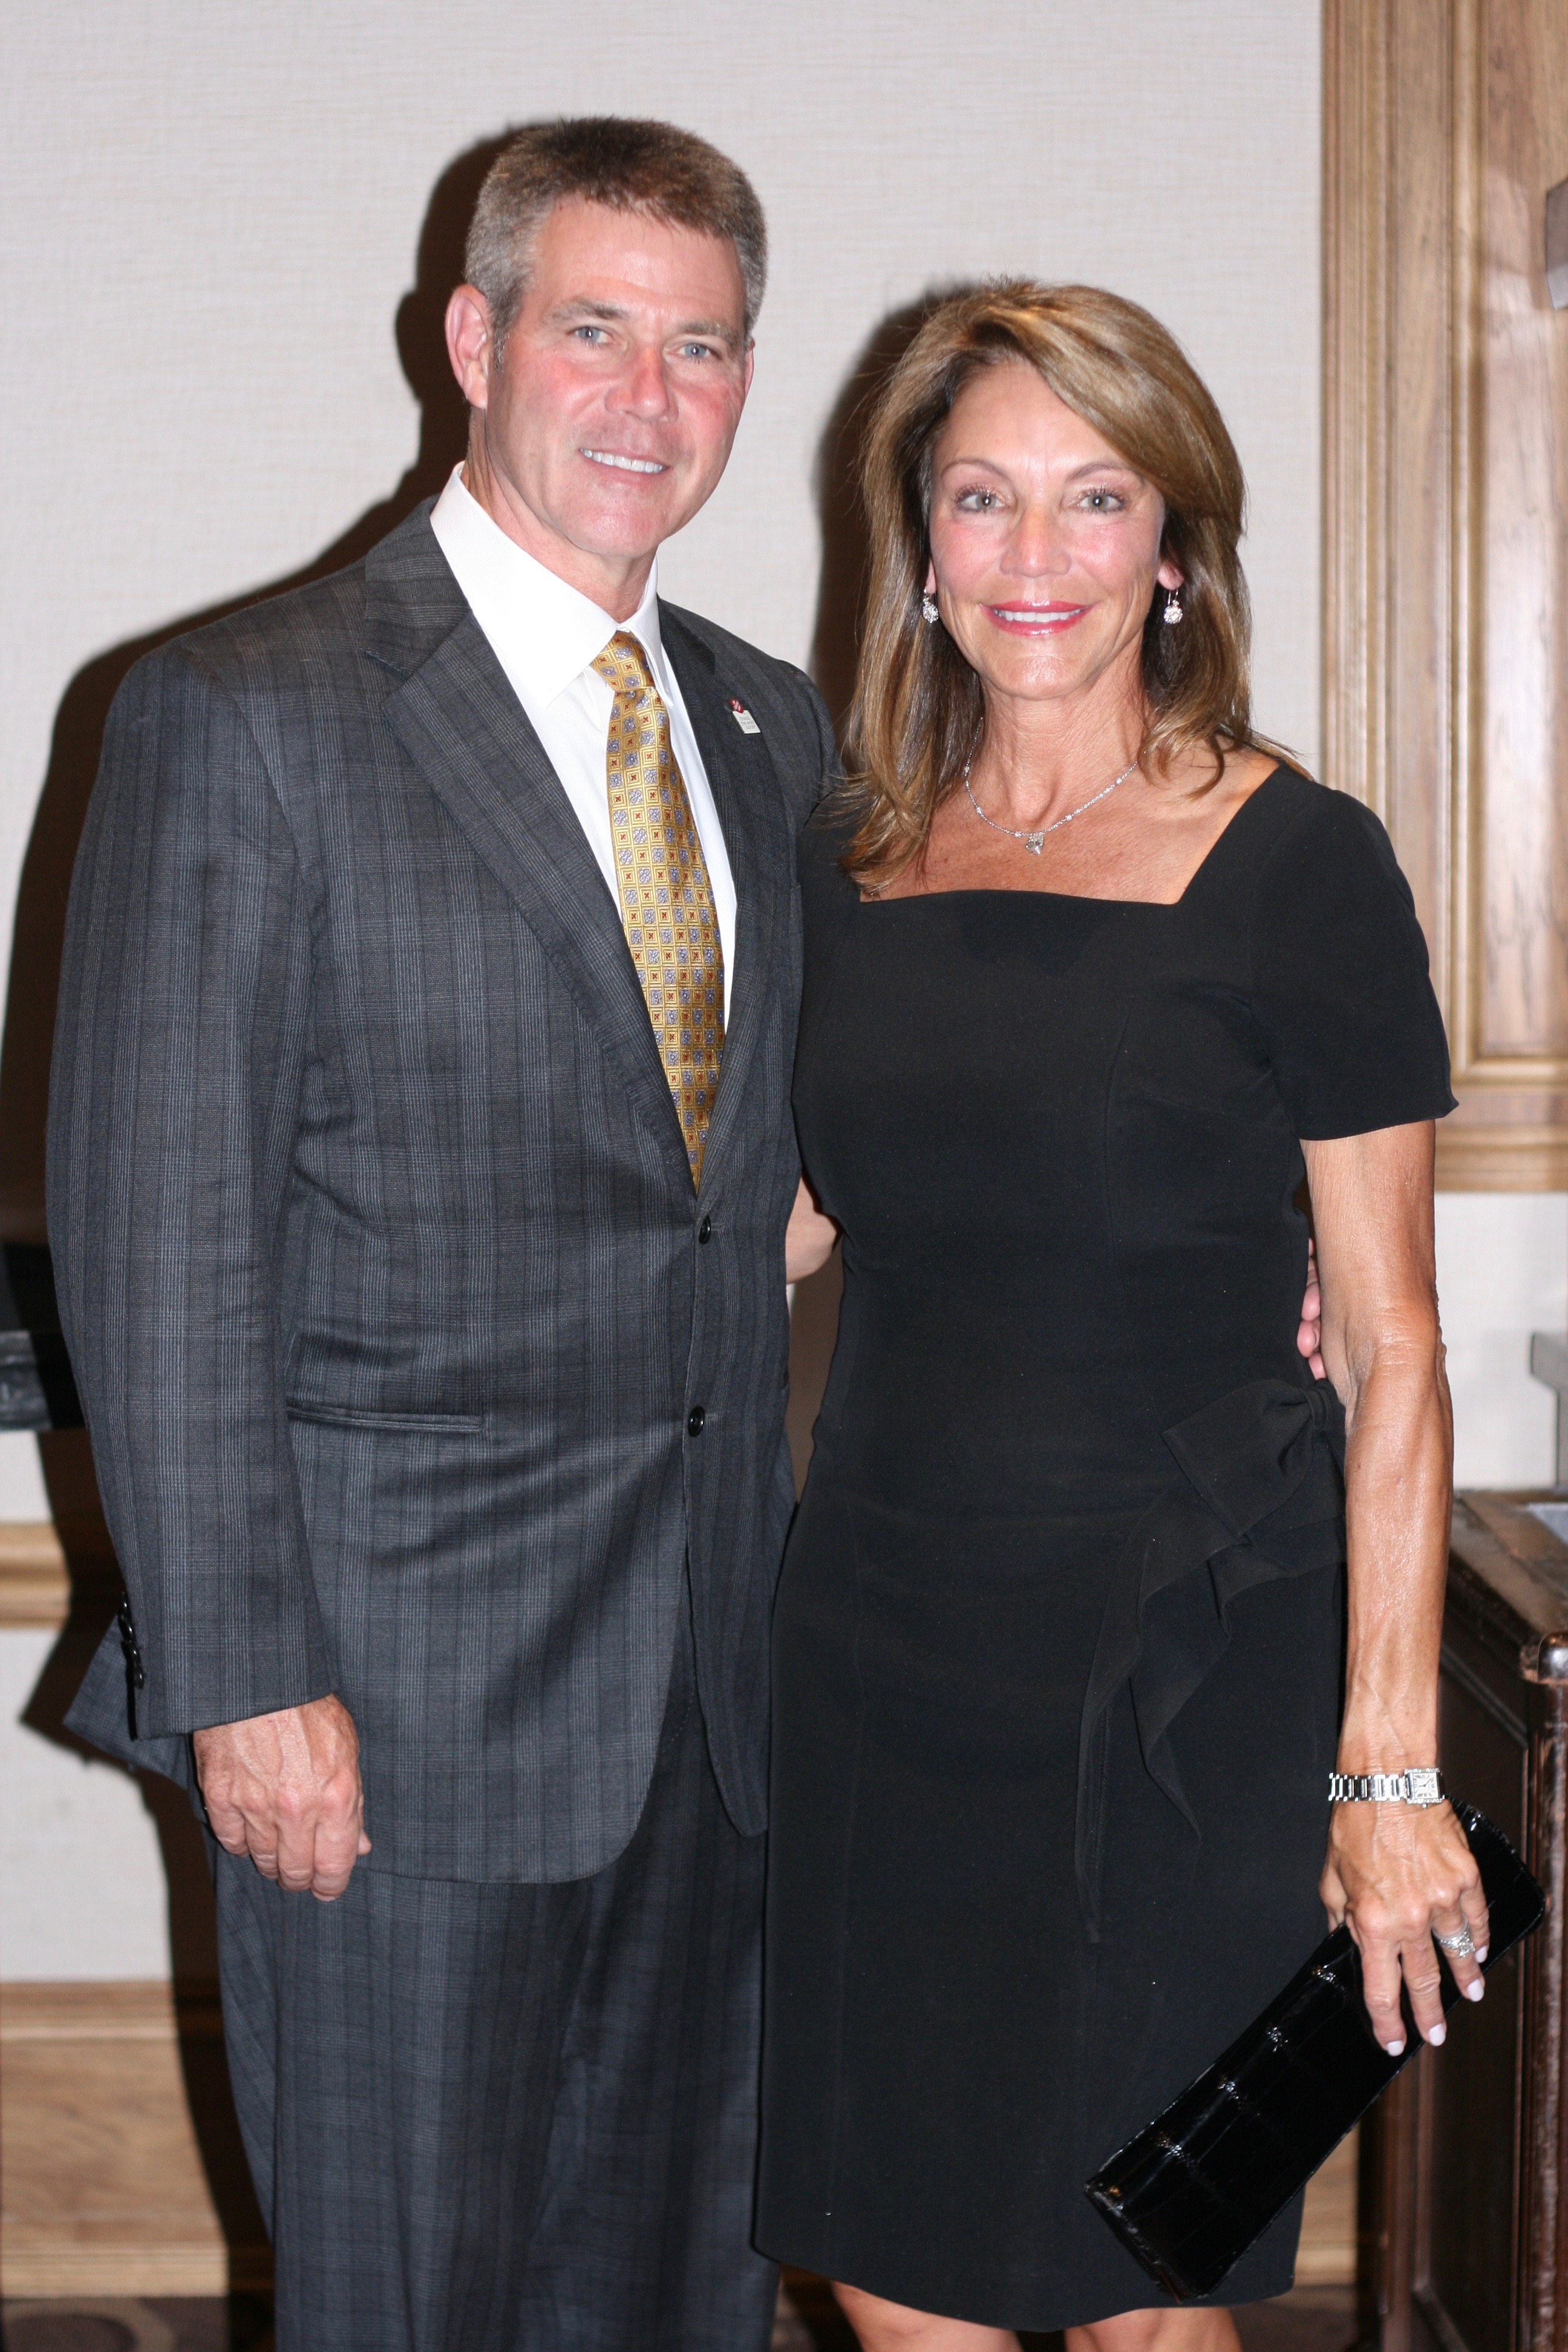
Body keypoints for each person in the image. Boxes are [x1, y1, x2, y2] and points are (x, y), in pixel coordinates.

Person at [50, 117, 839, 2352]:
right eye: (596, 331)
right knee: (412, 2311)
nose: (648, 398)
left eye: (703, 349)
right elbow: (162, 1249)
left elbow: (804, 1169)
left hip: (718, 1709)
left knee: (680, 2300)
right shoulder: (249, 714)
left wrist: (1224, 1264)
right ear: (473, 342)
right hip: (386, 1721)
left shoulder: (767, 728)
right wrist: (243, 1680)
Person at [757, 282, 1488, 2352]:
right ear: (920, 543)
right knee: (881, 2259)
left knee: (1142, 2282)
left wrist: (1387, 1768)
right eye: (982, 497)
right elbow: (794, 1225)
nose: (1037, 554)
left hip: (1188, 1663)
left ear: (1175, 543)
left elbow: (1395, 1349)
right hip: (882, 1637)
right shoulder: (846, 856)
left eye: (1096, 498)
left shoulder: (1301, 861)